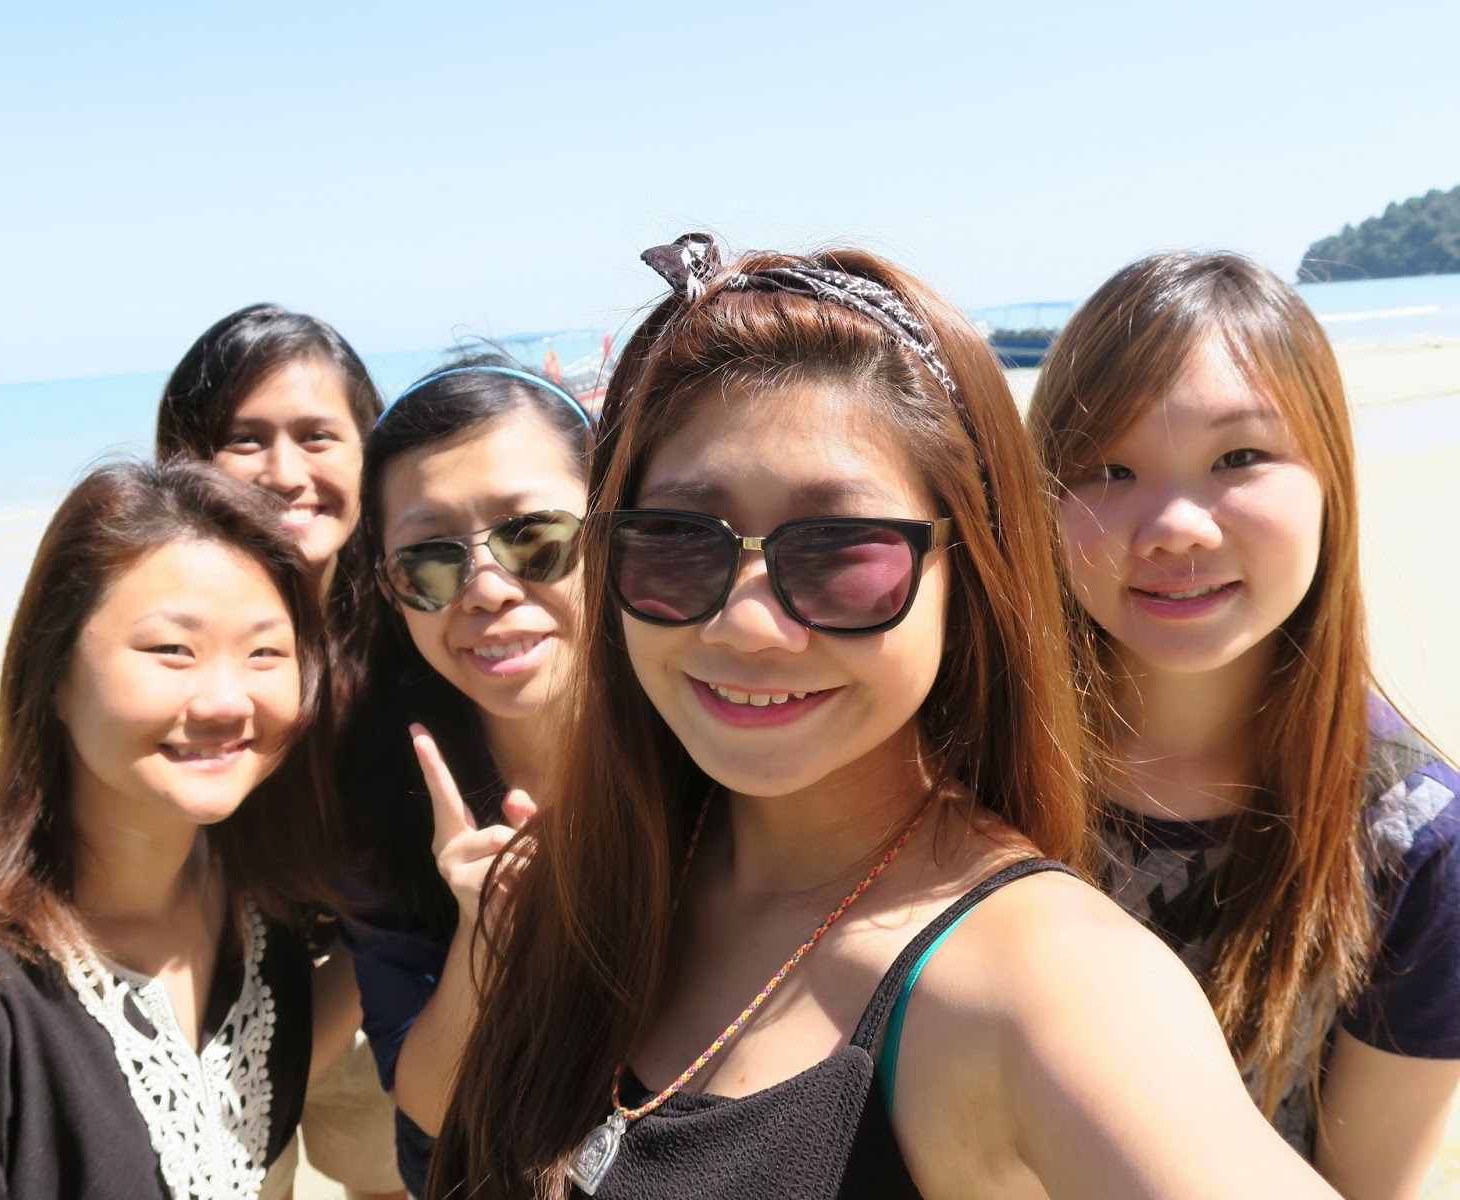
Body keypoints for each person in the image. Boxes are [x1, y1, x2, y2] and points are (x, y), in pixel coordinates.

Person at [424, 235, 1336, 1199]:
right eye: (678, 541)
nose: (746, 623)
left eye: (842, 551)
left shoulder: (1045, 980)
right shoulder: (602, 877)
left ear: (967, 578)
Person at [1027, 249, 1460, 1197]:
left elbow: (1362, 1186)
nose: (1176, 525)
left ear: (1331, 478)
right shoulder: (975, 758)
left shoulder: (1418, 840)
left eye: (1239, 458)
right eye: (1108, 468)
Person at [0, 459, 357, 1199]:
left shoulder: (261, 904)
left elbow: (233, 1107)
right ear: (55, 674)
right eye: (172, 650)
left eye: (265, 653)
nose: (227, 700)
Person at [156, 303, 406, 1200]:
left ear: (371, 452)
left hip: (372, 994)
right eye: (245, 439)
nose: (286, 472)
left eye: (317, 436)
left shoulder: (415, 632)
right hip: (202, 1018)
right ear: (186, 456)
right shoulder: (149, 637)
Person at [347, 351, 592, 1198]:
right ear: (391, 589)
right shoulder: (385, 795)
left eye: (535, 538)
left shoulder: (713, 738)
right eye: (431, 561)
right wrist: (488, 934)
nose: (486, 590)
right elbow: (426, 1104)